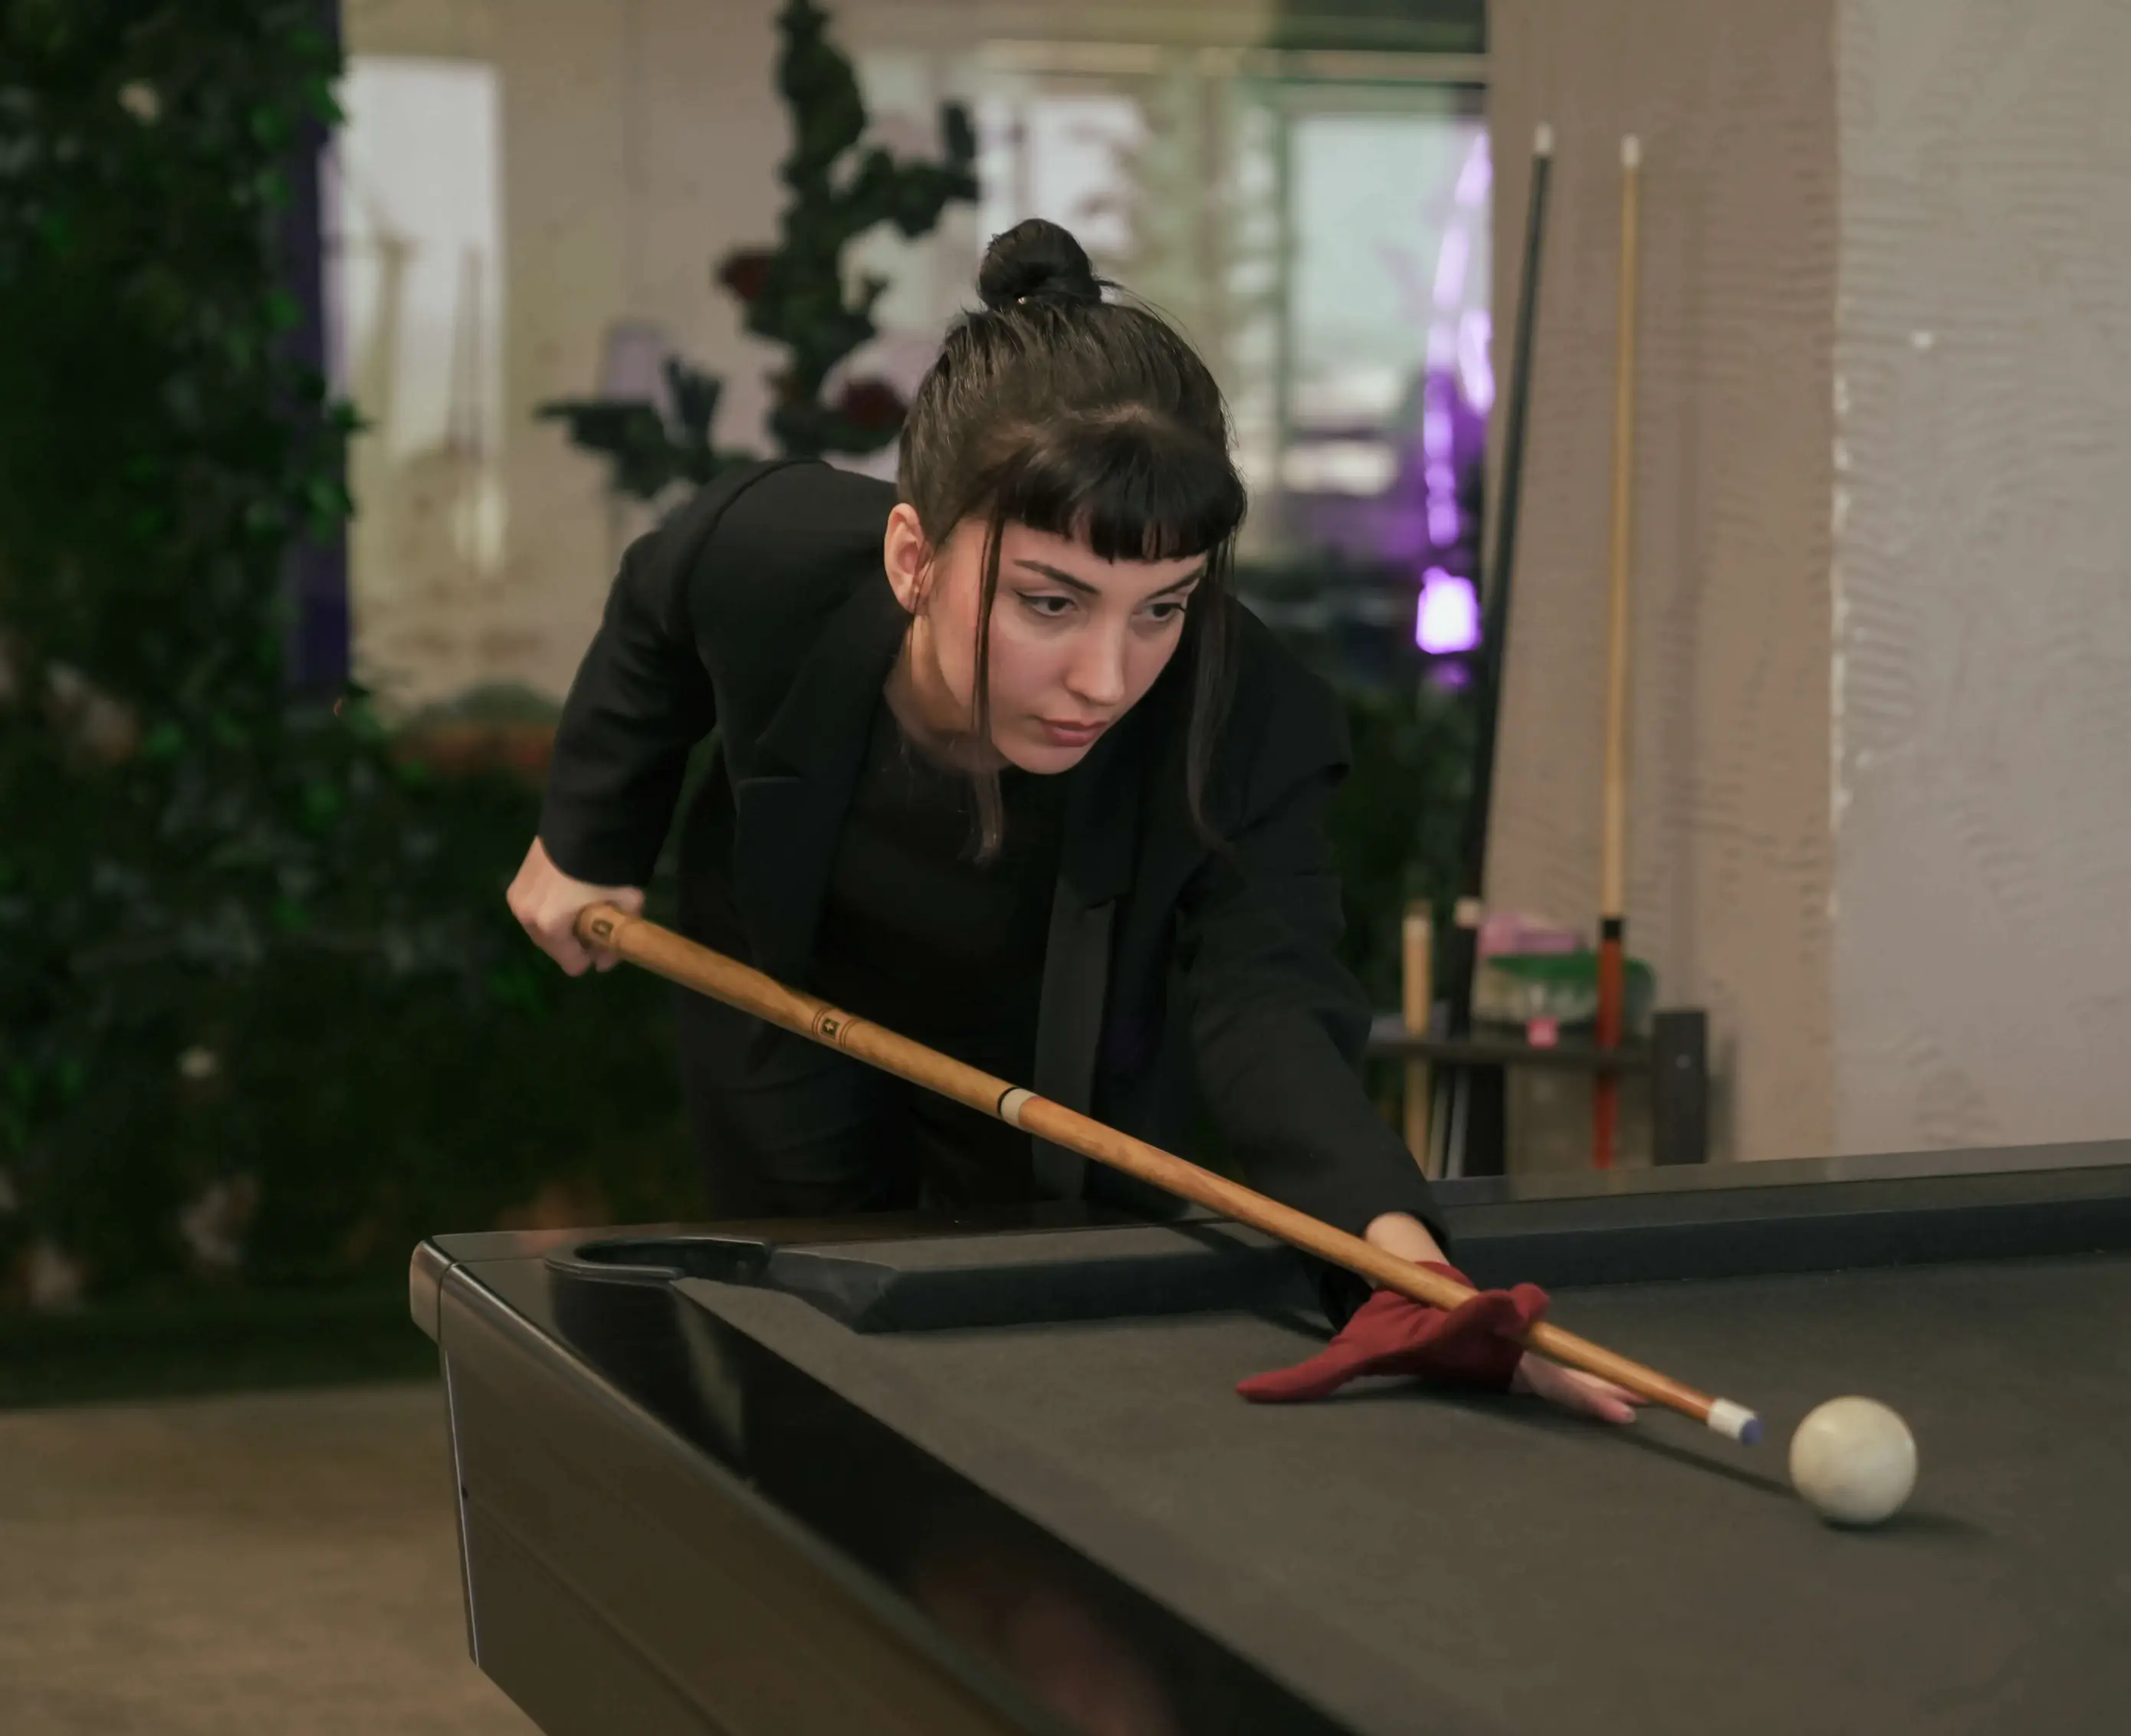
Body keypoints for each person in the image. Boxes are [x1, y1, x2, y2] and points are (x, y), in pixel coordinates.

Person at [507, 218, 1631, 1424]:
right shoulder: (766, 558)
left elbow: (1270, 998)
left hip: (1064, 1061)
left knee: (1028, 1387)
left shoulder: (1251, 716)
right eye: (1052, 602)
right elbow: (656, 605)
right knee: (820, 1384)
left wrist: (1399, 1259)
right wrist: (589, 837)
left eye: (1162, 607)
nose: (1108, 675)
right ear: (911, 559)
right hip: (790, 999)